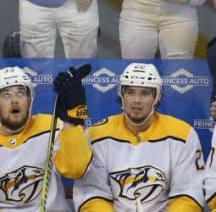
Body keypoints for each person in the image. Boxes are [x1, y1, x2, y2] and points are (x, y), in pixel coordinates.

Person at [58, 62, 205, 210]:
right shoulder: (97, 134)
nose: (136, 100)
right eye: (130, 92)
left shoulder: (183, 134)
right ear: (121, 95)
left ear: (157, 98)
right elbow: (92, 194)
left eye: (145, 93)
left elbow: (188, 193)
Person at [0, 66, 93, 211]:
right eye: (6, 95)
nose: (14, 101)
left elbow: (76, 170)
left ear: (30, 100)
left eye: (21, 93)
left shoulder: (52, 127)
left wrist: (71, 120)